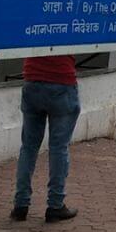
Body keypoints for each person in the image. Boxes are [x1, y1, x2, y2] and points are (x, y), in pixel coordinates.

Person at [11, 55, 80, 222]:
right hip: (62, 80)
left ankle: (20, 204)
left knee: (28, 147)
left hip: (32, 80)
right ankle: (55, 205)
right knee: (58, 148)